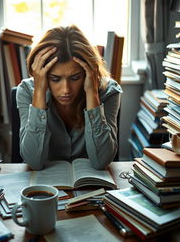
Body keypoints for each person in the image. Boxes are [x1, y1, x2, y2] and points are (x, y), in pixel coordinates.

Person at [16, 25, 122, 170]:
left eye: (75, 77)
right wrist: (39, 93)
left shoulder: (108, 92)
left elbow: (101, 161)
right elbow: (33, 162)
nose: (66, 89)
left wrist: (92, 93)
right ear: (42, 75)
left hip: (90, 187)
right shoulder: (27, 91)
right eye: (55, 78)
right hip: (43, 188)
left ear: (87, 73)